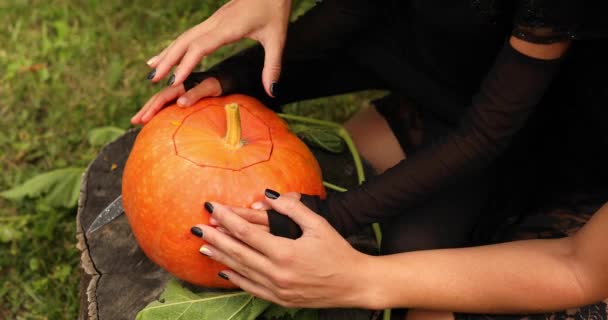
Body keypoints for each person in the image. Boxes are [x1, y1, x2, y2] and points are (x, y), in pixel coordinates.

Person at [132, 0, 608, 318]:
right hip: (485, 94)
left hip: (579, 172)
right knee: (383, 201)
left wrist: (355, 263)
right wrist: (247, 73)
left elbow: (579, 267)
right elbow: (362, 15)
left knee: (419, 287)